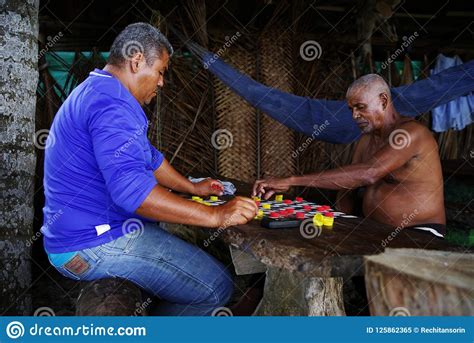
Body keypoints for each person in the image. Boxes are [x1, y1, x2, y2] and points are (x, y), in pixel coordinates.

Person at [41, 22, 258, 316]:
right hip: (92, 244)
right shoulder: (112, 106)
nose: (161, 83)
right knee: (216, 287)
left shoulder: (99, 90)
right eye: (160, 72)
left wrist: (191, 188)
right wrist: (217, 214)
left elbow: (150, 159)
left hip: (75, 237)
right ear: (137, 60)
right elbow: (132, 194)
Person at [253, 74, 446, 237]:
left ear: (383, 101)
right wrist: (338, 225)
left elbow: (369, 173)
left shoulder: (411, 133)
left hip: (419, 233)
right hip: (376, 231)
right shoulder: (367, 140)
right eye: (351, 109)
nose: (354, 116)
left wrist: (293, 180)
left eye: (360, 107)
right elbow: (349, 187)